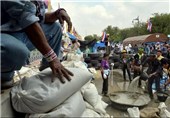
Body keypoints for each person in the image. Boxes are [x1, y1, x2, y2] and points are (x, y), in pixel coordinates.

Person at [1, 0, 74, 89]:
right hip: (4, 35)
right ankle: (3, 78)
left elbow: (38, 18)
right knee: (18, 51)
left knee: (55, 28)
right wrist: (52, 57)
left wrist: (57, 14)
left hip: (18, 33)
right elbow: (28, 21)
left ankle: (48, 71)